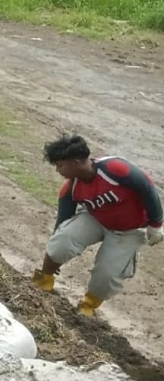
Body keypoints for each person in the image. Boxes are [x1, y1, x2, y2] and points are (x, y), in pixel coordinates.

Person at [33, 135, 163, 316]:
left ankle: (88, 306)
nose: (57, 170)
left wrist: (156, 224)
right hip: (95, 219)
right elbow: (62, 223)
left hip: (129, 230)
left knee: (107, 275)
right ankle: (42, 282)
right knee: (60, 242)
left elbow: (148, 189)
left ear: (76, 162)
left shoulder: (115, 169)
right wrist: (56, 255)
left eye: (60, 165)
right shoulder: (70, 189)